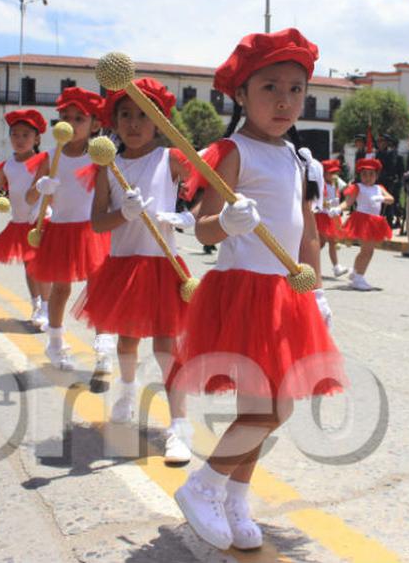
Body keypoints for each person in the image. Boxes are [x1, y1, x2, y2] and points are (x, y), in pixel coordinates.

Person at [172, 28, 343, 552]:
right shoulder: (232, 151)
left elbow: (307, 230)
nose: (285, 100)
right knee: (263, 411)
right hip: (246, 292)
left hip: (287, 296)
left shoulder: (298, 157)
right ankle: (203, 486)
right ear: (241, 94)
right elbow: (203, 230)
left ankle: (235, 498)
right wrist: (228, 221)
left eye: (296, 89)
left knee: (276, 409)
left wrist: (317, 290)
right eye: (270, 87)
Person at [73, 77, 194, 463]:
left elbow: (206, 188)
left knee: (166, 348)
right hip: (124, 267)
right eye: (125, 115)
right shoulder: (108, 165)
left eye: (143, 115)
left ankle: (180, 427)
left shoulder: (171, 158)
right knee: (126, 342)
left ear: (158, 121)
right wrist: (123, 214)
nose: (134, 123)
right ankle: (126, 394)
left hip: (162, 264)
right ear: (114, 121)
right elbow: (97, 223)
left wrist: (189, 217)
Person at [27, 88, 114, 374]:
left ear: (95, 124)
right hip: (61, 230)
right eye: (66, 117)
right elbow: (30, 197)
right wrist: (41, 189)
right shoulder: (50, 157)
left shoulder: (100, 157)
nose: (71, 123)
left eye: (79, 118)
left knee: (99, 288)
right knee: (61, 289)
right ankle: (55, 343)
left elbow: (111, 193)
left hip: (93, 231)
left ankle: (103, 344)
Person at [0, 109, 51, 326]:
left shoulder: (43, 160)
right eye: (15, 134)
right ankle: (36, 304)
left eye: (25, 135)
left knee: (41, 265)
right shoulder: (7, 165)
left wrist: (42, 208)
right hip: (20, 222)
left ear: (36, 139)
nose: (19, 140)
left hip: (41, 220)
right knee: (29, 266)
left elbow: (47, 189)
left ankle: (46, 308)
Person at [341, 158, 395, 290]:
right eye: (364, 174)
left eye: (371, 174)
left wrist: (381, 198)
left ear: (376, 175)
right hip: (362, 220)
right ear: (360, 175)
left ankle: (355, 273)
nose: (368, 177)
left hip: (375, 221)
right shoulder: (358, 187)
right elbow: (348, 202)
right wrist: (337, 209)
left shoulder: (379, 188)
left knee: (366, 251)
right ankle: (359, 278)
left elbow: (391, 199)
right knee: (367, 251)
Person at [315, 158, 348, 277]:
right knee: (327, 242)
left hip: (333, 216)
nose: (334, 175)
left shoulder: (336, 182)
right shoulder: (321, 185)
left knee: (325, 242)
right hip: (322, 216)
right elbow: (318, 201)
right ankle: (335, 267)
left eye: (336, 172)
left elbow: (347, 189)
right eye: (331, 172)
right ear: (324, 174)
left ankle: (307, 260)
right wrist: (328, 203)